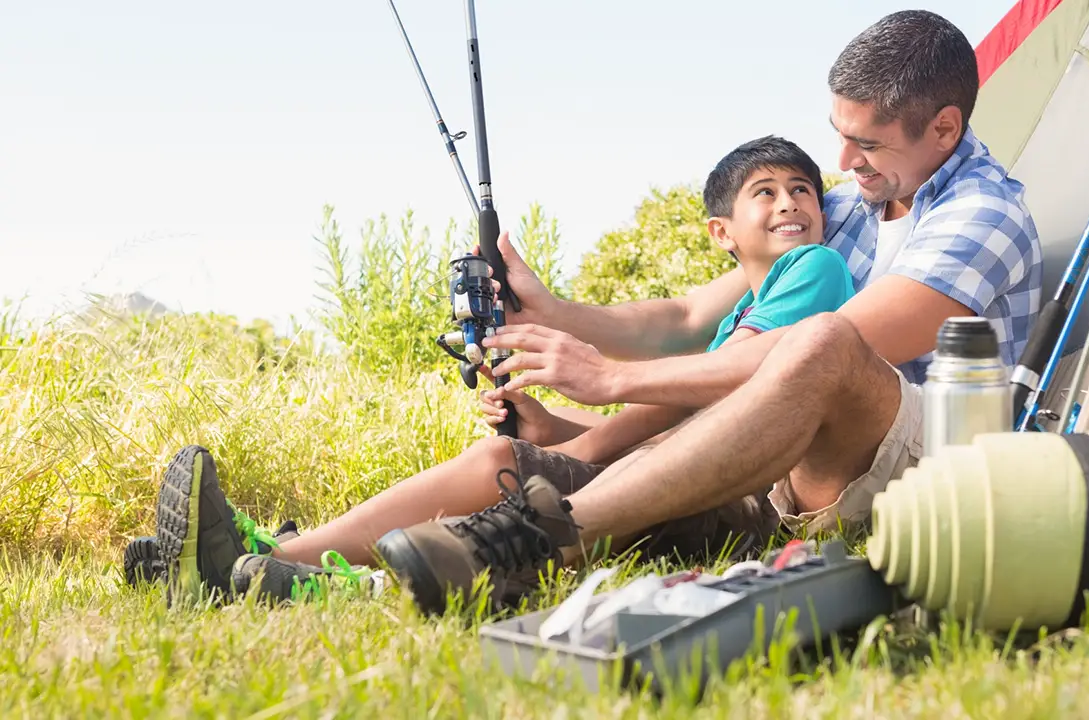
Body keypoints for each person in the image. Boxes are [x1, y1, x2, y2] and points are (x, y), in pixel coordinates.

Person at [371, 9, 1043, 617]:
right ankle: (309, 560)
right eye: (839, 134)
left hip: (929, 469)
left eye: (865, 143)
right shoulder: (844, 207)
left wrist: (612, 381)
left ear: (944, 128)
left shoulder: (982, 215)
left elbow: (819, 352)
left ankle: (537, 534)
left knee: (824, 341)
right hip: (789, 451)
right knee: (535, 448)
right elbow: (690, 319)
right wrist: (553, 309)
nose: (841, 162)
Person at [141, 135, 859, 601]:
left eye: (802, 190)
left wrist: (580, 435)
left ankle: (262, 562)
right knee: (516, 453)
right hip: (696, 481)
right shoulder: (748, 307)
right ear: (721, 233)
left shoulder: (814, 268)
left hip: (742, 507)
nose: (790, 202)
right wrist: (557, 425)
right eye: (764, 192)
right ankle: (277, 562)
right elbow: (687, 419)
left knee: (502, 464)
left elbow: (720, 394)